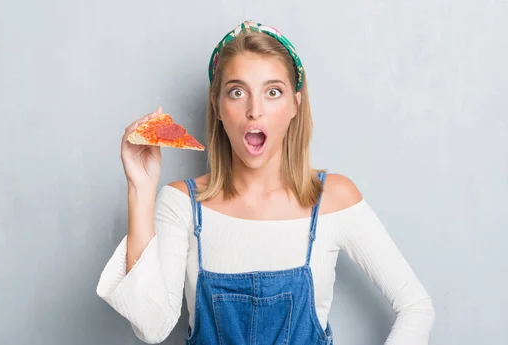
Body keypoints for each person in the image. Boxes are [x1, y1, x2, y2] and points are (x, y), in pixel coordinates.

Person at [96, 20, 435, 345]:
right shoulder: (182, 202)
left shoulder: (333, 199)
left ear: (294, 106)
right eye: (237, 92)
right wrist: (140, 189)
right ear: (216, 106)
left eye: (273, 91)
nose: (254, 110)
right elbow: (151, 326)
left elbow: (416, 306)